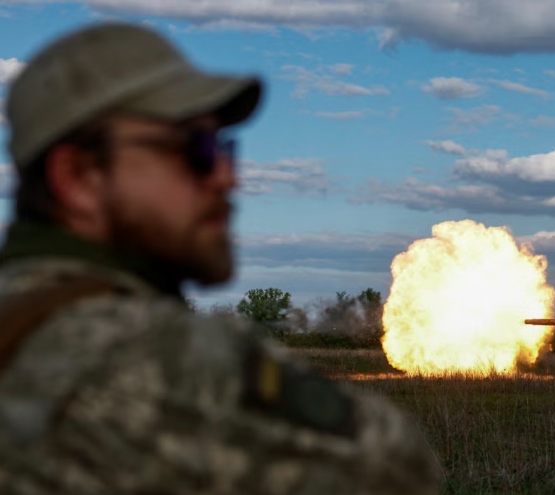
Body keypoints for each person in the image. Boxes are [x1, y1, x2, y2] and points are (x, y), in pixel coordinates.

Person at [0, 22, 440, 494]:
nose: (227, 177)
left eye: (224, 146)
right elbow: (397, 469)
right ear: (79, 176)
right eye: (196, 149)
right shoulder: (146, 355)